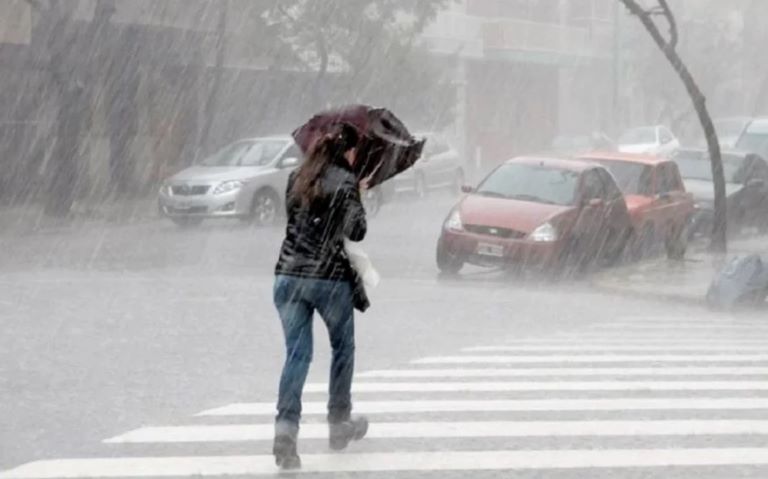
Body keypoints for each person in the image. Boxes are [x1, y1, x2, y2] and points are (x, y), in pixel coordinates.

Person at [272, 123, 369, 469]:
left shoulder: (296, 177)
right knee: (342, 347)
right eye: (356, 151)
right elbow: (356, 230)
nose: (356, 156)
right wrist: (358, 193)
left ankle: (285, 431)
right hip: (328, 279)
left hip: (287, 276)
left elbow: (297, 221)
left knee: (297, 356)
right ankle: (338, 422)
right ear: (347, 151)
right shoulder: (345, 181)